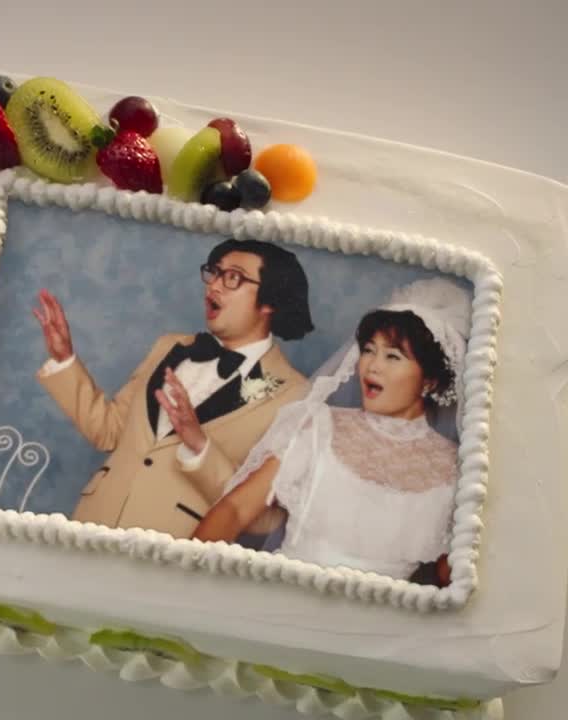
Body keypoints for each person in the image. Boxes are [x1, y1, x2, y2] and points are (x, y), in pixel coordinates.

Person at [192, 278, 470, 584]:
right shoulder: (317, 426)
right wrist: (185, 577)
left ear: (429, 379)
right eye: (368, 350)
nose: (371, 366)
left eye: (392, 356)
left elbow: (451, 575)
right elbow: (235, 510)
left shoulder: (455, 468)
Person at [32, 239, 314, 539]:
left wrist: (201, 447)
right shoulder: (169, 346)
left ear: (271, 299)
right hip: (92, 524)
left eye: (233, 277)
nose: (214, 287)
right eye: (214, 273)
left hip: (172, 550)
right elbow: (108, 430)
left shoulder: (294, 393)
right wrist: (64, 359)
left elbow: (266, 520)